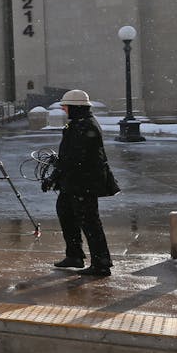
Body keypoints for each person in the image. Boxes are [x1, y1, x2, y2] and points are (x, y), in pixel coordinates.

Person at [41, 89, 114, 277]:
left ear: (76, 107)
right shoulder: (78, 124)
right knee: (66, 213)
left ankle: (101, 263)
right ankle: (74, 255)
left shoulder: (85, 126)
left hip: (83, 183)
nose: (64, 109)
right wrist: (58, 169)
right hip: (74, 181)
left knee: (90, 222)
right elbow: (70, 156)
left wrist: (55, 175)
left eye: (66, 106)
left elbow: (76, 158)